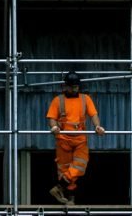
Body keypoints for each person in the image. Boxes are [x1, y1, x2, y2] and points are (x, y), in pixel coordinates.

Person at [45, 71, 106, 206]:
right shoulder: (58, 100)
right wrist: (54, 127)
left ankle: (58, 188)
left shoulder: (85, 99)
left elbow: (94, 115)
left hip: (80, 140)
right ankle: (70, 200)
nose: (74, 89)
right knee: (64, 170)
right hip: (63, 140)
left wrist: (97, 126)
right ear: (65, 86)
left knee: (79, 166)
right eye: (71, 86)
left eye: (76, 87)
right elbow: (51, 118)